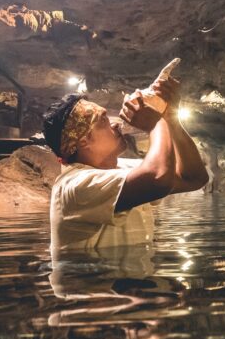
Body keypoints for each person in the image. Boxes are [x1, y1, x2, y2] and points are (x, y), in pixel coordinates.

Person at [43, 69, 208, 252]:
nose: (114, 124)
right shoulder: (74, 187)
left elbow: (194, 178)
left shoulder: (122, 168)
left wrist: (170, 118)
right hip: (93, 281)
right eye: (103, 121)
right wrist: (154, 122)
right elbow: (158, 179)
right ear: (83, 140)